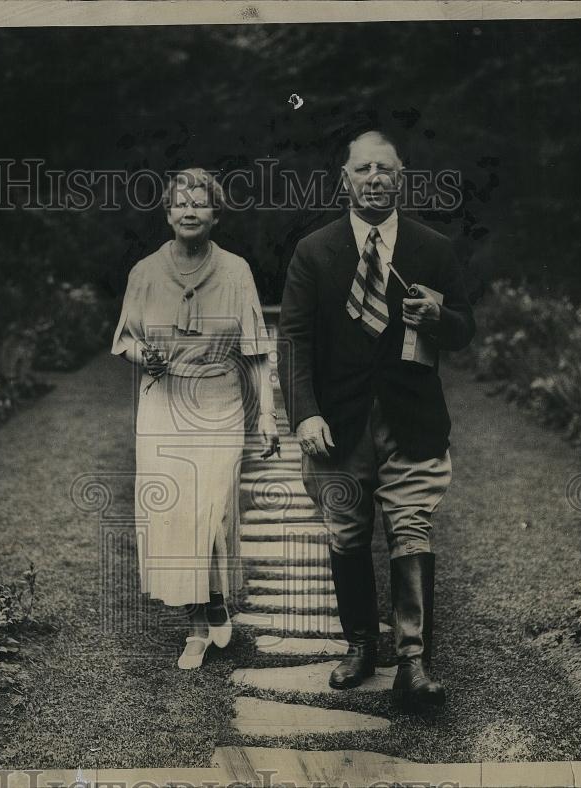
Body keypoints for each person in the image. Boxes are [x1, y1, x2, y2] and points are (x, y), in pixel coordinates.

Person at [277, 128, 475, 705]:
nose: (374, 179)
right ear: (345, 179)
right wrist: (304, 414)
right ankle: (361, 646)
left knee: (412, 526)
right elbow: (294, 340)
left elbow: (465, 327)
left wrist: (440, 314)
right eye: (363, 169)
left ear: (401, 178)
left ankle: (414, 663)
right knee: (347, 533)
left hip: (411, 418)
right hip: (337, 424)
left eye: (385, 169)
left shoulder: (431, 247)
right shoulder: (315, 251)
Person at [112, 168, 279, 669]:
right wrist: (147, 356)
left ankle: (214, 597)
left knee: (215, 510)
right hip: (163, 404)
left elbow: (254, 349)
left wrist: (266, 415)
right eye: (180, 203)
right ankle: (196, 623)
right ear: (167, 214)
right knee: (175, 515)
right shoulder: (144, 272)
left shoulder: (236, 270)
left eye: (199, 203)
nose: (189, 210)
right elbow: (125, 340)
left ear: (215, 215)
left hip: (220, 404)